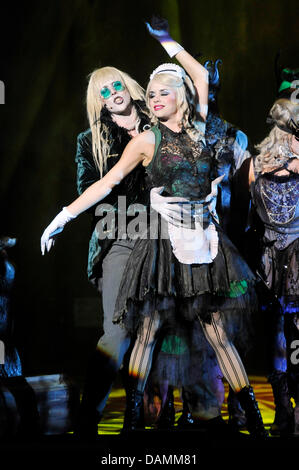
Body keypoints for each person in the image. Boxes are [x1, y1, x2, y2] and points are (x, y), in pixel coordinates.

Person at [41, 19, 268, 438]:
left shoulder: (188, 123)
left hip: (201, 241)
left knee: (211, 333)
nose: (155, 97)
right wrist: (63, 217)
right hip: (143, 240)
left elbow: (197, 75)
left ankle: (243, 419)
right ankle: (117, 419)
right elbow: (104, 185)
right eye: (154, 93)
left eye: (163, 92)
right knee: (136, 330)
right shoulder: (133, 140)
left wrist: (165, 40)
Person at [248, 98, 299, 436]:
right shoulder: (255, 163)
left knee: (293, 330)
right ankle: (282, 407)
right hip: (268, 253)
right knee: (276, 332)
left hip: (297, 249)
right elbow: (243, 205)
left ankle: (295, 408)